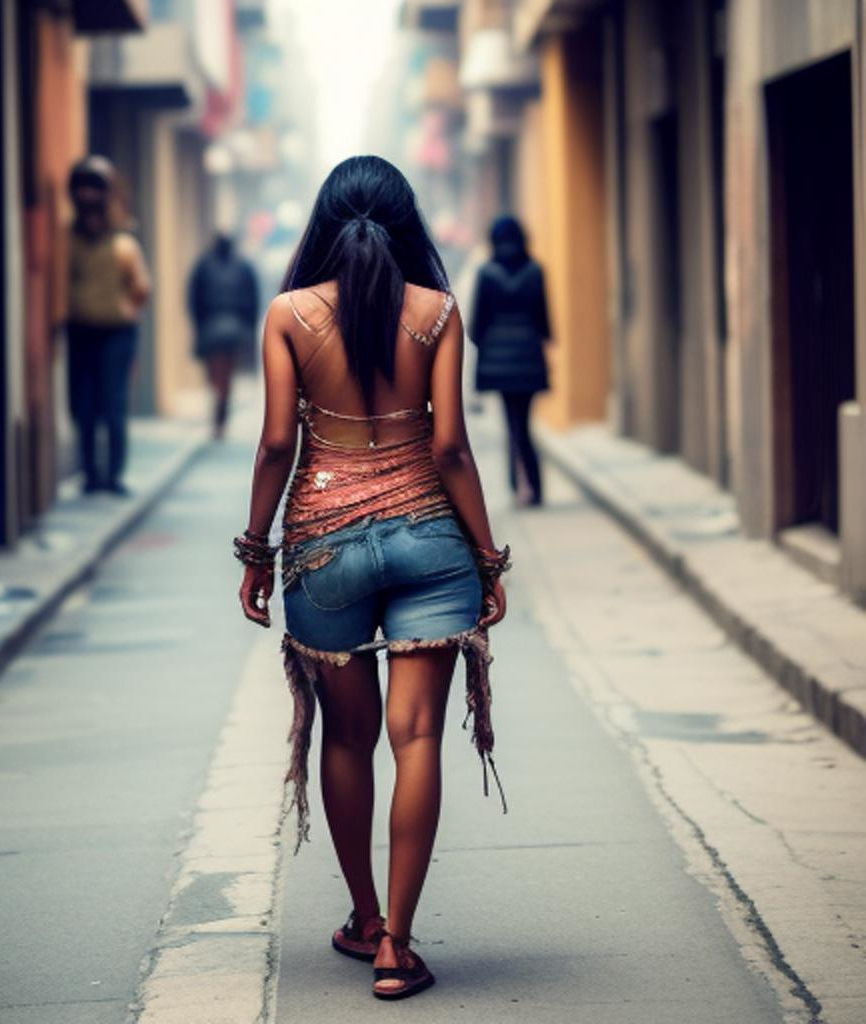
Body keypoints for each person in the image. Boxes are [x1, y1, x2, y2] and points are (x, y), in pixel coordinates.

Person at [234, 156, 510, 1001]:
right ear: (406, 221)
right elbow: (451, 448)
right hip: (432, 541)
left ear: (323, 221)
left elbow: (279, 443)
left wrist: (256, 549)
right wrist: (488, 559)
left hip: (322, 550)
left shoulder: (287, 314)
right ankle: (398, 943)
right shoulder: (437, 313)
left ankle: (362, 917)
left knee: (346, 739)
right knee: (417, 737)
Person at [66, 156, 151, 496]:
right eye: (82, 187)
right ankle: (90, 474)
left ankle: (113, 475)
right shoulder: (68, 239)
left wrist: (126, 311)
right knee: (83, 406)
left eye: (94, 187)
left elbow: (142, 288)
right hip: (80, 330)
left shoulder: (123, 241)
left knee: (113, 405)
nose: (87, 195)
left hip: (116, 333)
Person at [470, 216, 552, 506]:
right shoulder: (534, 271)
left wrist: (488, 348)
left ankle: (518, 485)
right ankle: (534, 486)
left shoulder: (486, 273)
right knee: (524, 423)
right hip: (528, 356)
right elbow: (543, 320)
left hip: (500, 360)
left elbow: (477, 323)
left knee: (512, 422)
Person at [188, 233, 259, 438]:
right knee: (223, 375)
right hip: (233, 329)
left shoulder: (204, 265)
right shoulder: (243, 266)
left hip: (212, 328)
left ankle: (219, 414)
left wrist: (199, 326)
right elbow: (252, 301)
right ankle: (220, 413)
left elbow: (194, 299)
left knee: (218, 375)